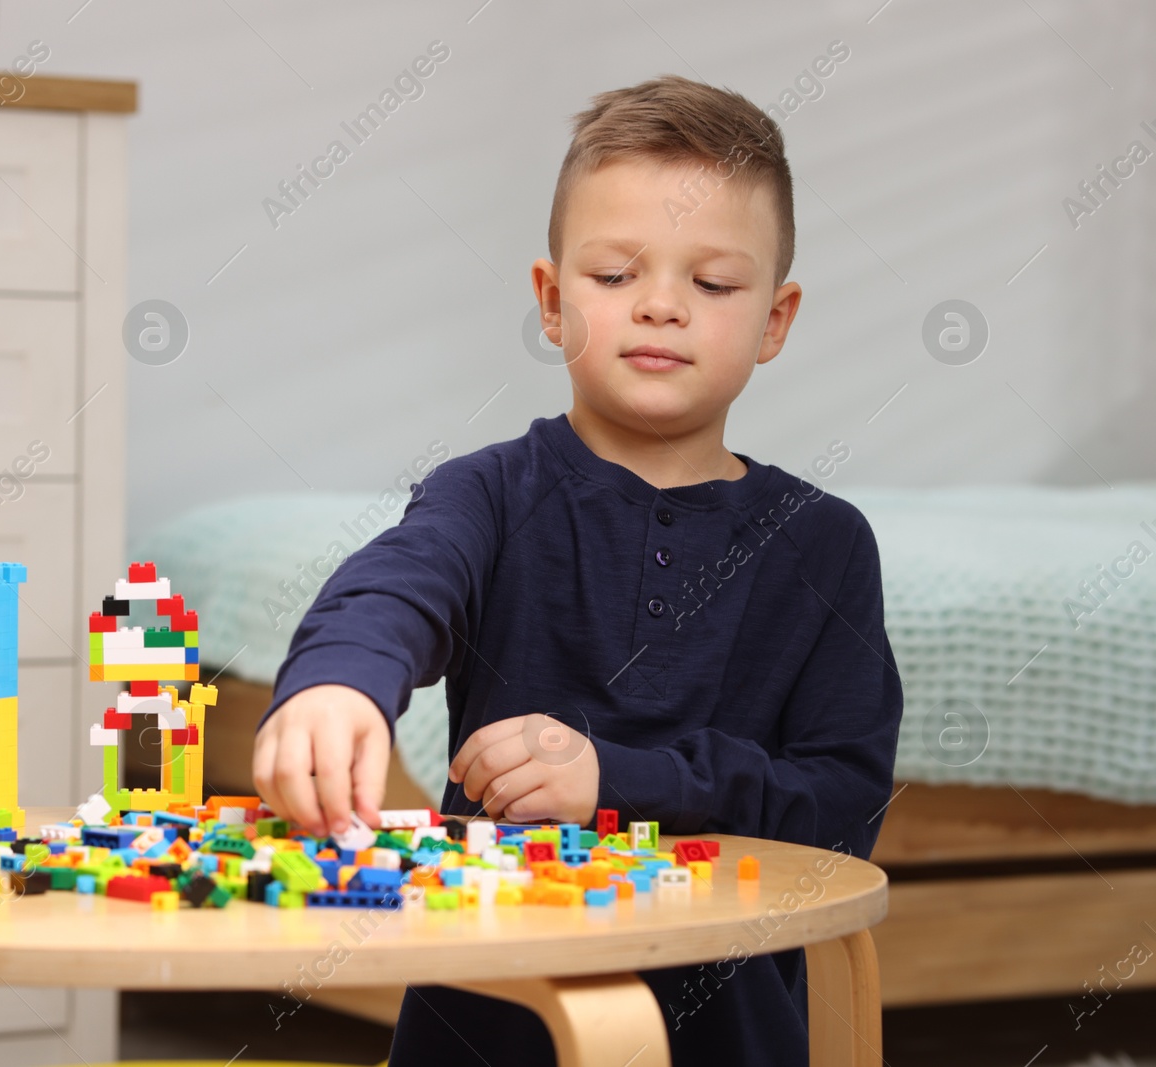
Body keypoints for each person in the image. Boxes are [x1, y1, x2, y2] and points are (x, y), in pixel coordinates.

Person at [252, 73, 903, 1066]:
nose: (659, 305)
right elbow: (394, 586)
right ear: (552, 303)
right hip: (483, 1027)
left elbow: (839, 813)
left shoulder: (825, 544)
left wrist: (617, 780)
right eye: (614, 275)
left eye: (713, 283)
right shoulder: (488, 492)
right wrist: (337, 681)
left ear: (775, 319)